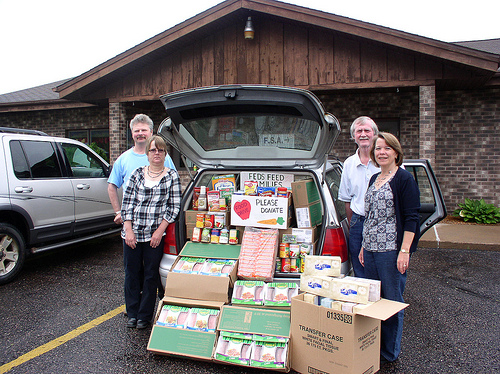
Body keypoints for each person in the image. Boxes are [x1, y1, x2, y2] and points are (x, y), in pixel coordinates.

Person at [359, 132, 420, 362]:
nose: (381, 152)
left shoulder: (404, 180)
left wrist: (404, 251)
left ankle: (389, 353)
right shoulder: (374, 178)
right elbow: (370, 216)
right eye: (378, 149)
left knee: (392, 300)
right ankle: (374, 346)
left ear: (396, 152)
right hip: (371, 249)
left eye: (387, 148)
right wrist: (364, 246)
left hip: (391, 250)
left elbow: (412, 217)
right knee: (374, 301)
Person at [121, 135, 182, 329]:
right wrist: (128, 230)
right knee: (132, 273)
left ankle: (144, 317)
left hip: (155, 236)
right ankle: (132, 313)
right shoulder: (136, 174)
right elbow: (127, 204)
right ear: (147, 153)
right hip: (132, 234)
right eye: (153, 150)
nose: (157, 153)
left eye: (160, 150)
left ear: (165, 154)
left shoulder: (172, 176)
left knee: (150, 275)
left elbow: (173, 207)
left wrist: (159, 232)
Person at [108, 113, 176, 226]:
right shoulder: (123, 159)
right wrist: (118, 212)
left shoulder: (163, 157)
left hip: (158, 222)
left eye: (143, 130)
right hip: (131, 223)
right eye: (136, 131)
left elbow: (173, 185)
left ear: (151, 132)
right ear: (132, 133)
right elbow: (112, 186)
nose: (140, 133)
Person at [338, 116, 379, 277]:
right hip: (358, 222)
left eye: (367, 130)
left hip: (382, 222)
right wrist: (352, 225)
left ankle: (384, 300)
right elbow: (347, 200)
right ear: (354, 136)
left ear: (375, 134)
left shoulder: (385, 160)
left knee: (382, 266)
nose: (363, 134)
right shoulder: (348, 164)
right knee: (359, 268)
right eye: (359, 131)